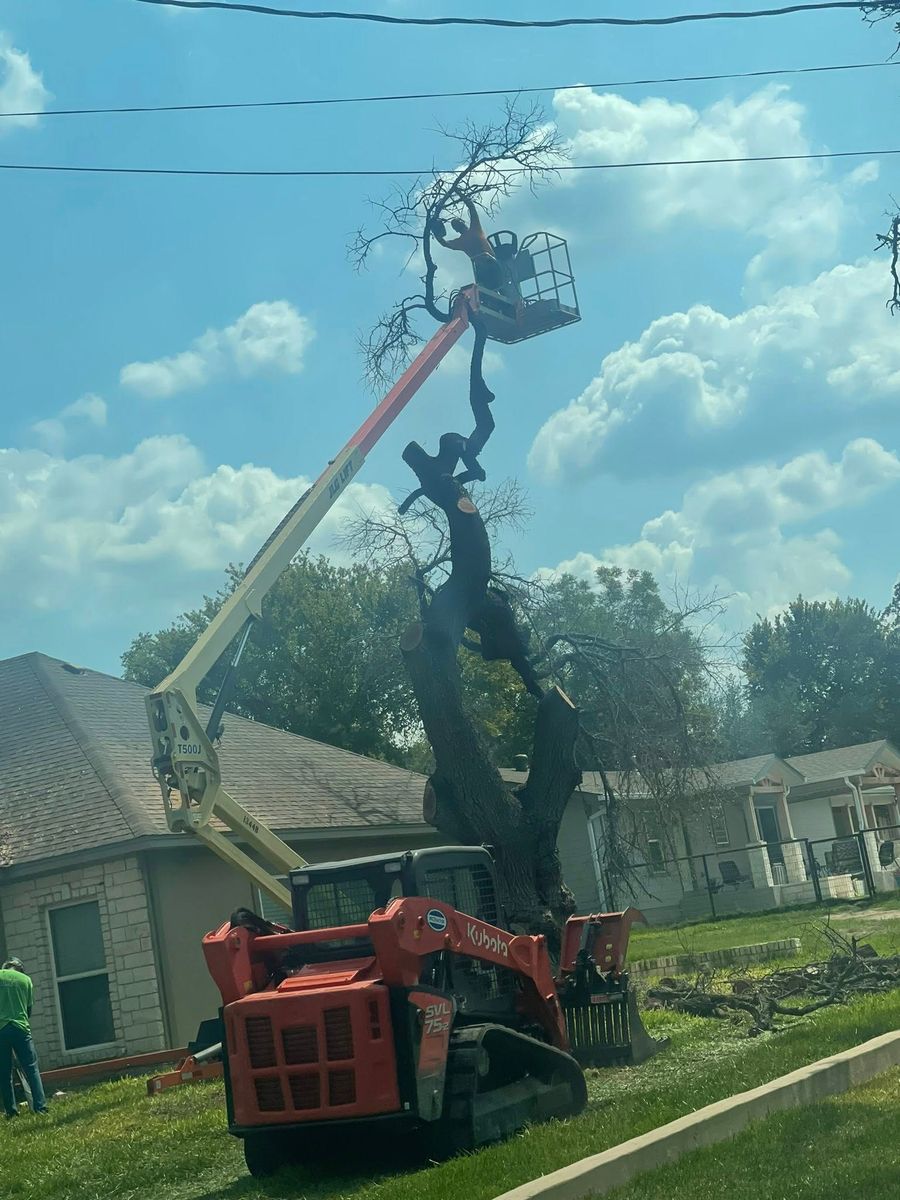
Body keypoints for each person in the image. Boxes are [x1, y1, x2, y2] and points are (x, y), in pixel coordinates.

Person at [0, 958, 48, 1118]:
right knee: (31, 1068)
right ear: (19, 969)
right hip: (21, 1028)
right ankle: (40, 1107)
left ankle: (11, 1111)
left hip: (1, 1029)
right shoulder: (26, 980)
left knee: (4, 1072)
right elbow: (28, 1010)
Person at [431, 195, 504, 293]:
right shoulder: (470, 233)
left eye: (456, 223)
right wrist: (436, 230)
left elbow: (472, 208)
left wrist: (460, 193)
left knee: (496, 290)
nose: (457, 225)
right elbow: (444, 243)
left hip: (487, 269)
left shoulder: (472, 230)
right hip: (488, 268)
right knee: (495, 290)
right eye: (455, 225)